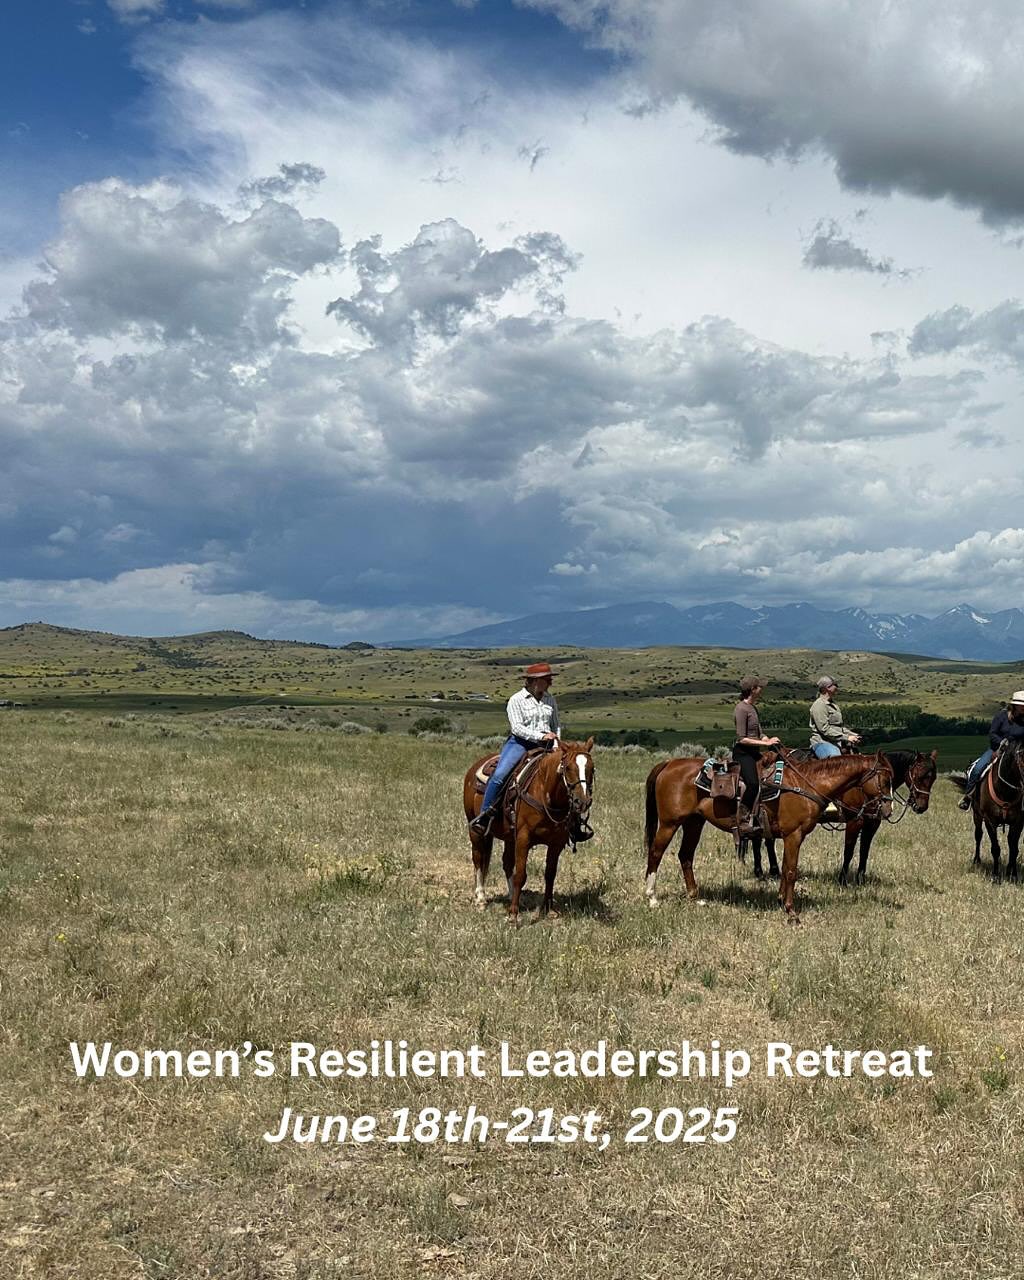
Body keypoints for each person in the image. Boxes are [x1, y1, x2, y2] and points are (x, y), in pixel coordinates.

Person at [470, 661, 562, 835]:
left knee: (567, 775)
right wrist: (540, 736)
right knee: (499, 775)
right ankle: (484, 815)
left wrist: (556, 745)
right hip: (520, 743)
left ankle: (572, 823)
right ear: (535, 681)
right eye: (547, 679)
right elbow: (517, 728)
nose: (550, 682)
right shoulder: (516, 700)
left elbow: (556, 725)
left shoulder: (550, 699)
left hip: (548, 745)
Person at [958, 691, 1024, 809]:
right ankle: (968, 797)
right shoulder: (1001, 716)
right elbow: (992, 733)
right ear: (1015, 705)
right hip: (997, 750)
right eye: (1022, 705)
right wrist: (1001, 742)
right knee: (977, 769)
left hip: (1018, 753)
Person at [733, 675, 781, 835]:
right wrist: (765, 744)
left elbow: (759, 733)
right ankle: (743, 819)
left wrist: (769, 740)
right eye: (760, 687)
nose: (762, 689)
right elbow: (742, 738)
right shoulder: (741, 709)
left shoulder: (753, 708)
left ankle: (764, 814)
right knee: (753, 784)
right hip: (743, 754)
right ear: (753, 690)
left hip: (754, 752)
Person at [809, 676, 862, 758]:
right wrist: (847, 737)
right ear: (828, 688)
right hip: (823, 742)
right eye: (835, 685)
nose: (837, 687)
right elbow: (824, 729)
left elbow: (839, 727)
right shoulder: (819, 705)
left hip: (837, 742)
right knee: (837, 762)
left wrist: (852, 735)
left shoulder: (834, 705)